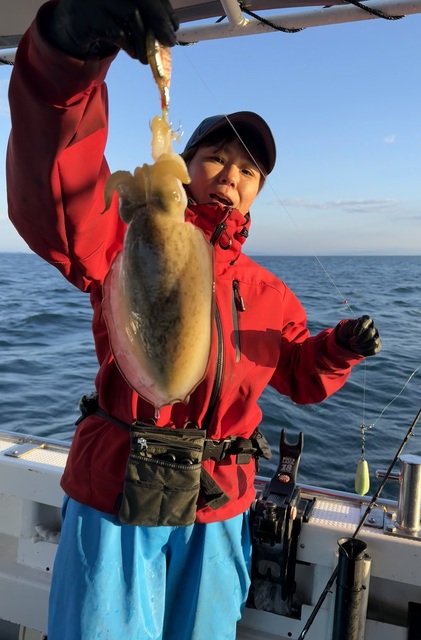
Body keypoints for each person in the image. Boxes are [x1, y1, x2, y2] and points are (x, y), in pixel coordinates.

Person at [6, 1, 382, 638]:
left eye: (248, 170)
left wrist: (337, 349)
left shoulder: (268, 292)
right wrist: (66, 58)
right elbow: (58, 196)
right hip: (118, 493)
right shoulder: (125, 239)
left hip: (217, 502)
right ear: (184, 167)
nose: (230, 176)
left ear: (257, 192)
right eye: (215, 158)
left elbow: (297, 372)